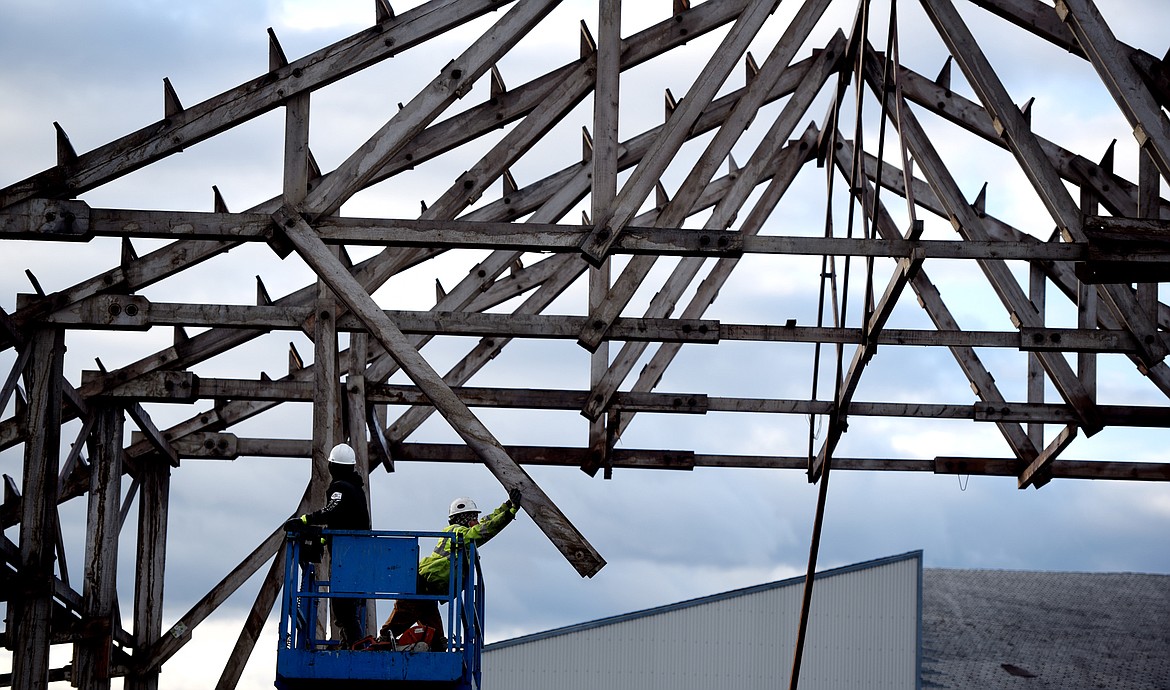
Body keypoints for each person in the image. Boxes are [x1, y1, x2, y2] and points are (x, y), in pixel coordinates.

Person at [378, 489, 521, 651]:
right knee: (404, 613)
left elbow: (485, 523)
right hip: (420, 583)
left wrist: (508, 506)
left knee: (436, 635)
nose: (476, 520)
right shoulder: (456, 533)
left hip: (429, 591)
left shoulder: (465, 539)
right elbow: (483, 530)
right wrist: (509, 514)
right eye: (473, 517)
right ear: (464, 519)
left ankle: (432, 644)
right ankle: (383, 639)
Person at [284, 442, 371, 647]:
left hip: (346, 555)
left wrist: (304, 520)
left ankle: (357, 648)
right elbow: (346, 520)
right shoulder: (356, 488)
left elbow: (331, 511)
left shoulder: (340, 487)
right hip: (357, 553)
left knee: (343, 607)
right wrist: (324, 538)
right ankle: (349, 644)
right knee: (349, 605)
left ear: (333, 466)